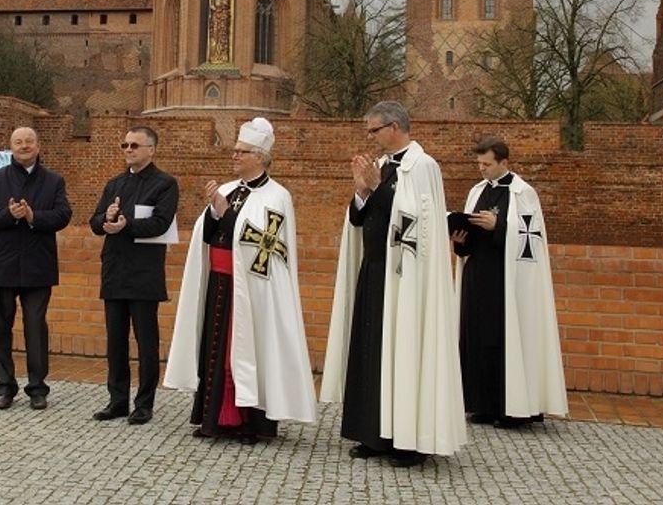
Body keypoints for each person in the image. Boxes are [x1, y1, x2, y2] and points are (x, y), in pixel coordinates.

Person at [321, 101, 466, 467]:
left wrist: (378, 188)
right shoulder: (383, 167)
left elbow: (418, 222)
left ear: (396, 126)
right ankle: (374, 434)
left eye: (374, 130)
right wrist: (362, 191)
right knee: (372, 352)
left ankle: (407, 441)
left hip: (408, 278)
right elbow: (359, 219)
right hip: (374, 269)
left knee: (403, 350)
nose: (370, 137)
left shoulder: (423, 167)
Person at [164, 117, 317, 444]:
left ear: (259, 157)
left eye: (241, 151)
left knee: (247, 352)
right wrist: (217, 213)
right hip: (219, 282)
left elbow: (265, 246)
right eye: (234, 150)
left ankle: (251, 424)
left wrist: (226, 213)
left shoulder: (277, 197)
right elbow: (208, 237)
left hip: (253, 290)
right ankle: (213, 420)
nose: (233, 156)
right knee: (216, 350)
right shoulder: (227, 190)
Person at [451, 136, 568, 428]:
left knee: (503, 340)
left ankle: (511, 409)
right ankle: (481, 404)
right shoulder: (477, 191)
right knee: (477, 338)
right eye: (478, 163)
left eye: (487, 164)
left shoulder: (522, 194)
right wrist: (460, 242)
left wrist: (498, 226)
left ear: (504, 162)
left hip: (508, 282)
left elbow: (530, 240)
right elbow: (468, 243)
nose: (482, 169)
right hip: (477, 278)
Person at [88, 126, 179, 426]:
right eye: (125, 145)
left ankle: (144, 403)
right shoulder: (115, 183)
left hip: (144, 273)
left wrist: (125, 225)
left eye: (135, 145)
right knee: (116, 341)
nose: (128, 149)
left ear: (151, 149)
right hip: (114, 270)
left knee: (146, 342)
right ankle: (117, 401)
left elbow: (161, 224)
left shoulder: (165, 184)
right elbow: (95, 221)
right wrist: (108, 220)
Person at [0, 126, 72, 410]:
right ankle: (5, 387)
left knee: (35, 328)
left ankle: (37, 389)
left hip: (38, 266)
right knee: (0, 327)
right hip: (1, 265)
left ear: (38, 146)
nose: (24, 146)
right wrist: (9, 214)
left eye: (29, 141)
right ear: (11, 147)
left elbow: (63, 215)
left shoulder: (54, 181)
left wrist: (33, 216)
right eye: (18, 142)